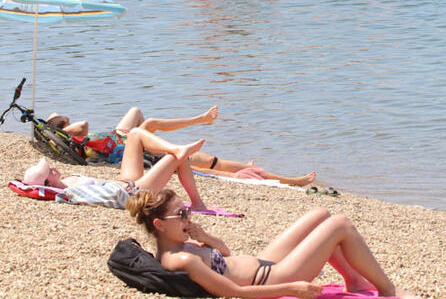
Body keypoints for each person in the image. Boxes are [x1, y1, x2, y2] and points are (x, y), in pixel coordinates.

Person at [128, 191, 419, 299]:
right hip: (273, 277)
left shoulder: (182, 244)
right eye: (181, 214)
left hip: (263, 262)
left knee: (320, 215)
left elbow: (225, 255)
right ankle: (387, 291)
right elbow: (234, 292)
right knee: (340, 224)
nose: (188, 217)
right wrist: (292, 289)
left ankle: (354, 281)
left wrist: (206, 238)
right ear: (160, 225)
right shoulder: (180, 259)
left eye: (187, 210)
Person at [47, 106, 316, 187]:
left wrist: (56, 123)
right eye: (64, 124)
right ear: (63, 129)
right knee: (210, 164)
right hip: (130, 147)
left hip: (122, 138)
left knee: (140, 113)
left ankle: (200, 124)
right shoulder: (76, 138)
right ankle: (292, 181)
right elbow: (82, 125)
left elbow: (81, 127)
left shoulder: (80, 141)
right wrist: (59, 124)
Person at [23, 128, 207, 210]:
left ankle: (174, 147)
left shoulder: (66, 181)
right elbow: (109, 197)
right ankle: (197, 203)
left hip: (125, 182)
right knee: (177, 158)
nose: (53, 167)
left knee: (134, 134)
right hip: (133, 193)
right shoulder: (70, 193)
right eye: (50, 171)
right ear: (48, 183)